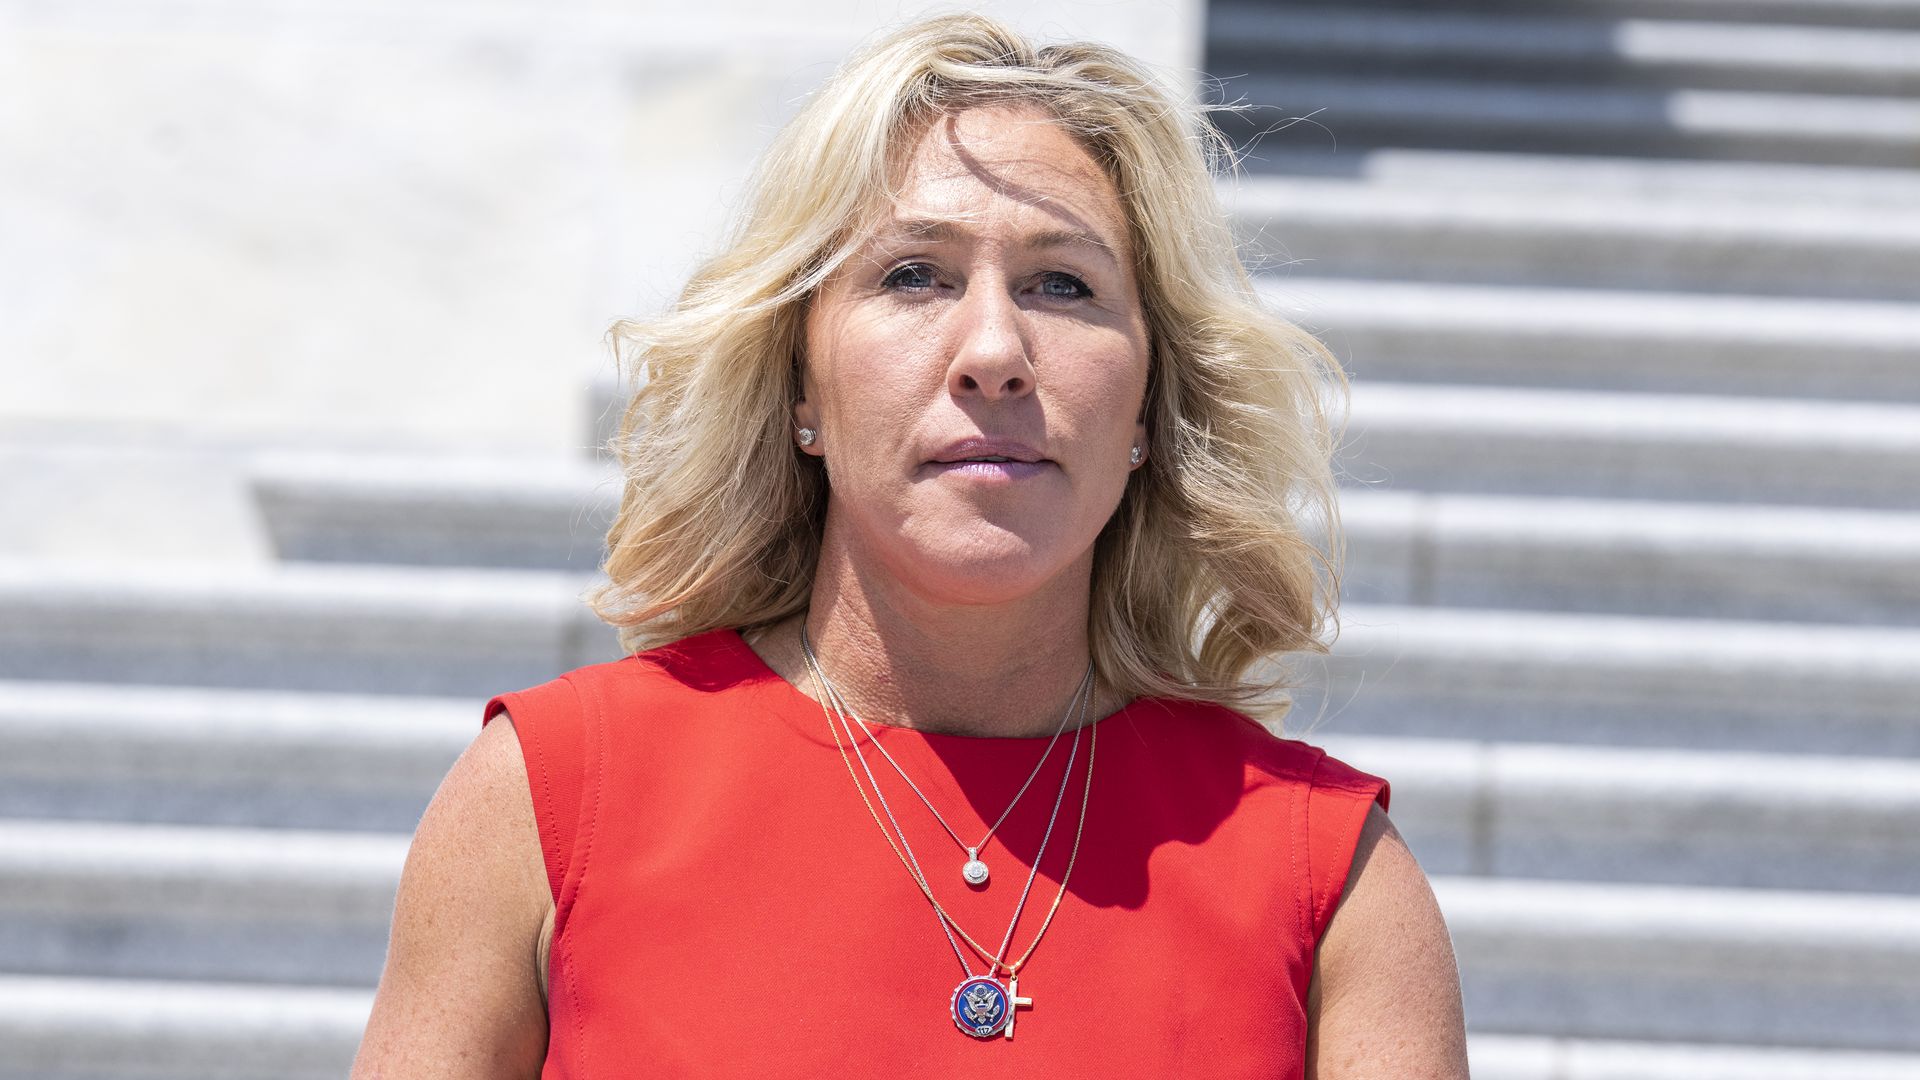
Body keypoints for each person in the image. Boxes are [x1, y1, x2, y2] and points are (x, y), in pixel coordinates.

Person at [351, 12, 1468, 1078]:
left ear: (1146, 409)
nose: (994, 349)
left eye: (1063, 285)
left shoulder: (1332, 877)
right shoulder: (545, 803)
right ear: (801, 385)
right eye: (914, 275)